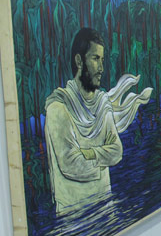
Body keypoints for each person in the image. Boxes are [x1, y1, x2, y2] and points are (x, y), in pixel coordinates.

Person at [45, 28, 153, 214]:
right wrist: (102, 157)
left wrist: (87, 153)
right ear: (79, 61)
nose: (101, 68)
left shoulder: (102, 103)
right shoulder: (58, 108)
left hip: (105, 210)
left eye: (102, 60)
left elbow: (117, 151)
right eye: (95, 59)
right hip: (73, 219)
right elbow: (71, 164)